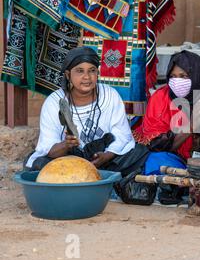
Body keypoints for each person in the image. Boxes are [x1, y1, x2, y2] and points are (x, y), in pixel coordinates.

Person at [25, 47, 149, 177]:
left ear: (97, 73)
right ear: (68, 75)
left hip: (102, 157)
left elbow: (121, 135)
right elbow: (48, 148)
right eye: (79, 71)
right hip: (68, 161)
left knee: (139, 153)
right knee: (40, 164)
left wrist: (106, 156)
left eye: (92, 71)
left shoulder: (110, 95)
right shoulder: (54, 102)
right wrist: (66, 144)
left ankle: (96, 177)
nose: (87, 77)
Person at [133, 50, 200, 204]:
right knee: (155, 160)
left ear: (198, 75)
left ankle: (192, 186)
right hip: (174, 160)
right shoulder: (160, 98)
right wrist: (190, 127)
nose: (177, 81)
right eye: (172, 77)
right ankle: (174, 188)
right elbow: (157, 145)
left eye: (184, 76)